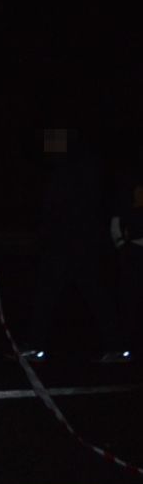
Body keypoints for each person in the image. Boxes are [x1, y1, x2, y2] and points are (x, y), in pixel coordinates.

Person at [21, 128, 127, 363]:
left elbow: (54, 206)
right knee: (92, 294)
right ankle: (116, 346)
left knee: (51, 295)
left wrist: (45, 235)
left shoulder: (66, 168)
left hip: (66, 244)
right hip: (81, 243)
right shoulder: (87, 164)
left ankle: (36, 346)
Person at [111, 147, 143, 360]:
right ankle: (126, 345)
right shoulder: (126, 186)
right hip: (132, 251)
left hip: (133, 249)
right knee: (129, 298)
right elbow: (116, 219)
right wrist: (121, 244)